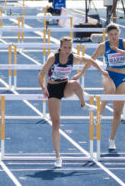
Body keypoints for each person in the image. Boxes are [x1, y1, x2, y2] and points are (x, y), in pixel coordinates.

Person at [38, 37, 109, 168]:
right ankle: (58, 157)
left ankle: (83, 105)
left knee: (76, 84)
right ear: (60, 47)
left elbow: (90, 60)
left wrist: (102, 71)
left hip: (65, 86)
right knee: (56, 123)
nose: (67, 50)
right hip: (53, 89)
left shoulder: (73, 57)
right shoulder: (53, 58)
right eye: (65, 48)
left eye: (69, 48)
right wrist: (43, 88)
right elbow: (40, 75)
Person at [73, 24, 125, 151]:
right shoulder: (103, 46)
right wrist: (81, 73)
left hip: (122, 77)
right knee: (110, 89)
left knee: (117, 112)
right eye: (111, 35)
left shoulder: (124, 43)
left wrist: (120, 51)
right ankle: (100, 112)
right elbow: (92, 60)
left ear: (119, 34)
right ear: (107, 35)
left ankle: (111, 139)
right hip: (108, 75)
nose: (113, 37)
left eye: (116, 34)